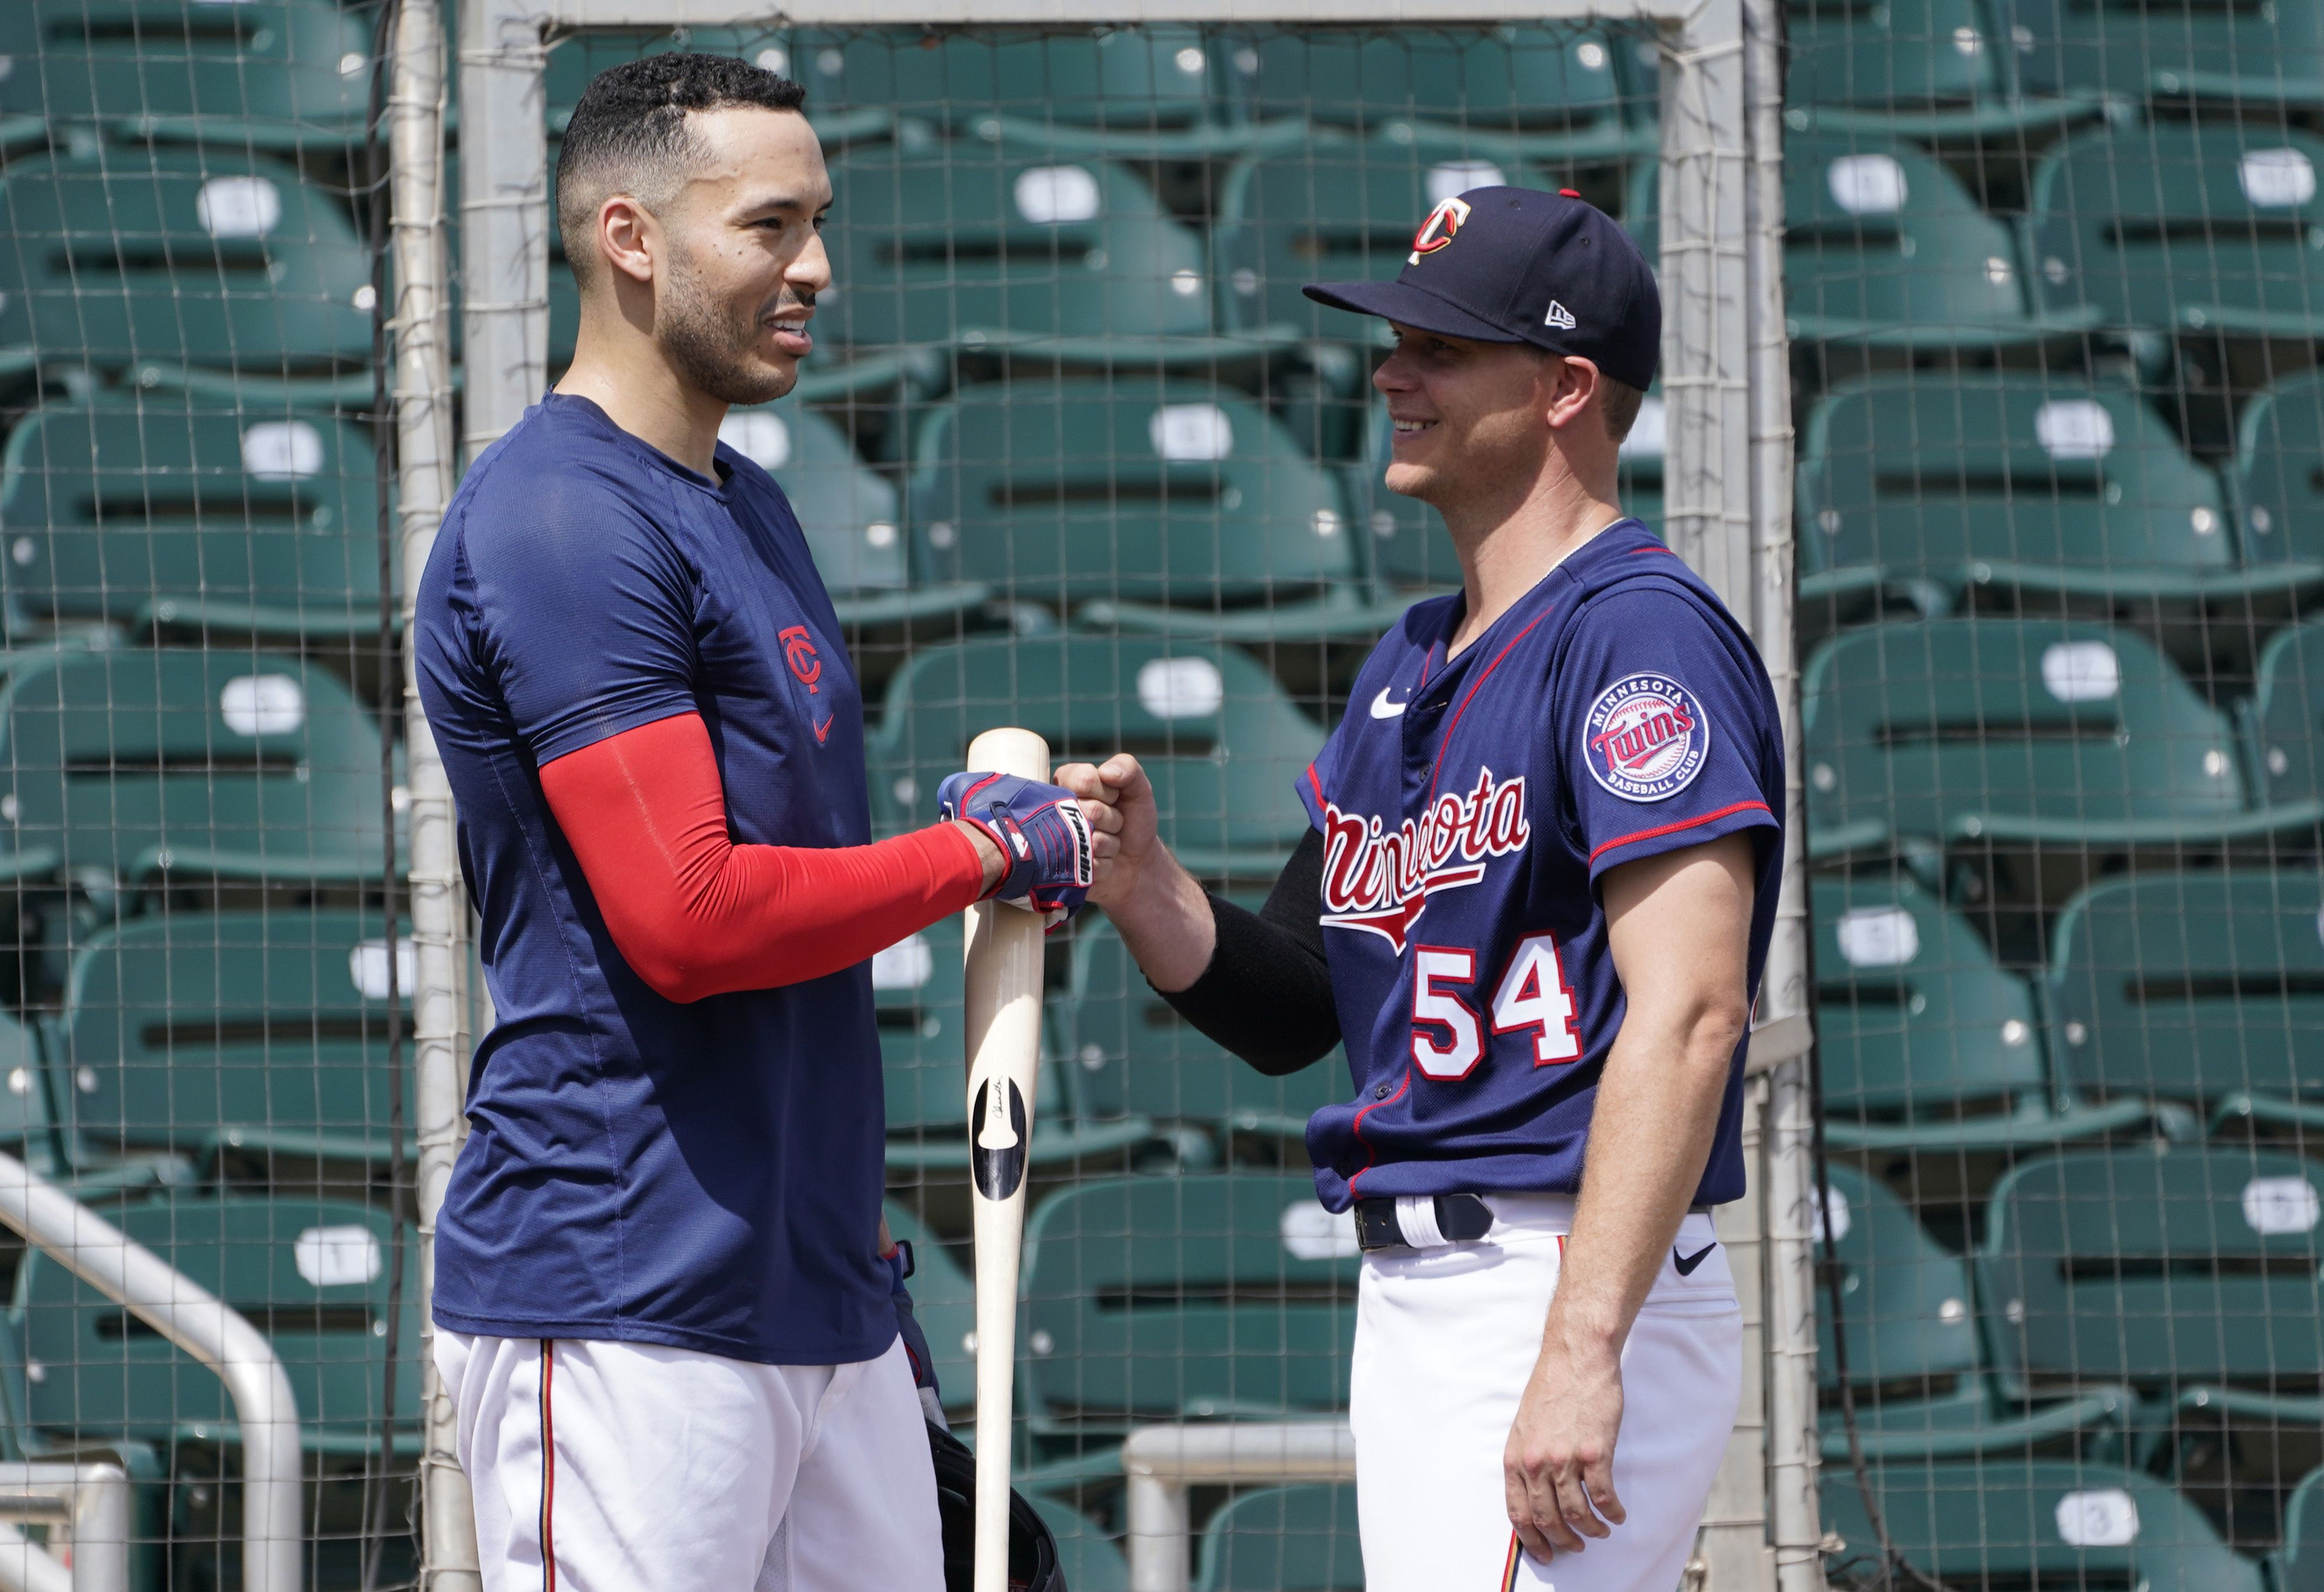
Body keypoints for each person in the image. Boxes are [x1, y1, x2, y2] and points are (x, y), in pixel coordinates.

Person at [412, 54, 1098, 1591]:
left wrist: (848, 1258)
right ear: (629, 238)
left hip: (811, 1294)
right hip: (621, 1289)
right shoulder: (561, 517)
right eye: (769, 225)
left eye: (819, 222)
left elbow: (796, 884)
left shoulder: (744, 501)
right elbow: (690, 917)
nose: (813, 269)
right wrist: (984, 852)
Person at [1058, 186, 1786, 1592]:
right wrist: (1144, 882)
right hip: (1433, 1293)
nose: (1392, 371)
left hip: (1554, 1268)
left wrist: (1579, 1347)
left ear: (1568, 387)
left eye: (1441, 348)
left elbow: (1693, 1011)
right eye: (1397, 339)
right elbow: (1295, 1004)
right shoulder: (1409, 662)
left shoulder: (1636, 637)